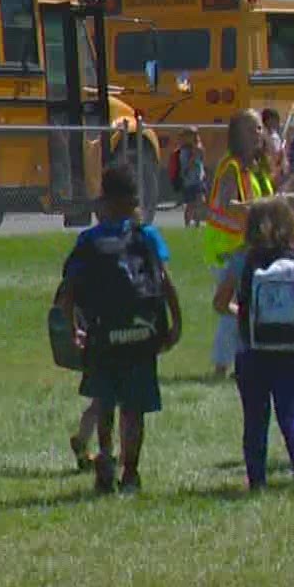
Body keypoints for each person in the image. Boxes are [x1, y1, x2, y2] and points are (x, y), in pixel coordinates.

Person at [60, 165, 181, 495]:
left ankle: (106, 461)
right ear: (134, 201)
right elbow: (165, 281)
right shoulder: (147, 236)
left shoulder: (89, 240)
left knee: (105, 400)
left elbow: (68, 291)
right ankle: (131, 471)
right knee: (135, 406)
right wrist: (175, 323)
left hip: (103, 334)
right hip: (142, 335)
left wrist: (74, 328)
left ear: (105, 202)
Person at [212, 196, 294, 498]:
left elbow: (220, 303)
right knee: (292, 413)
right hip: (292, 350)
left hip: (251, 349)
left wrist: (245, 314)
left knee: (255, 416)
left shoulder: (243, 259)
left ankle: (257, 478)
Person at [203, 110, 276, 379]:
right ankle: (221, 367)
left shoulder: (258, 170)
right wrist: (260, 208)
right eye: (250, 129)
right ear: (236, 135)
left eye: (259, 128)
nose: (257, 134)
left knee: (245, 309)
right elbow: (228, 204)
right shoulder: (231, 167)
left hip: (249, 250)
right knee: (231, 309)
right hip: (227, 250)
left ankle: (243, 363)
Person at [172, 131, 209, 227]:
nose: (197, 138)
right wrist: (194, 154)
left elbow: (202, 161)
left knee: (199, 202)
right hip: (190, 181)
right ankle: (187, 224)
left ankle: (197, 223)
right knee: (191, 204)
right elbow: (187, 166)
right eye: (194, 136)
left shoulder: (197, 149)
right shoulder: (185, 151)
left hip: (198, 179)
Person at [260, 107, 288, 183]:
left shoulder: (276, 135)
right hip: (268, 168)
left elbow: (280, 152)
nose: (276, 122)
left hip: (277, 169)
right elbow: (262, 152)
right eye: (274, 120)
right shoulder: (262, 135)